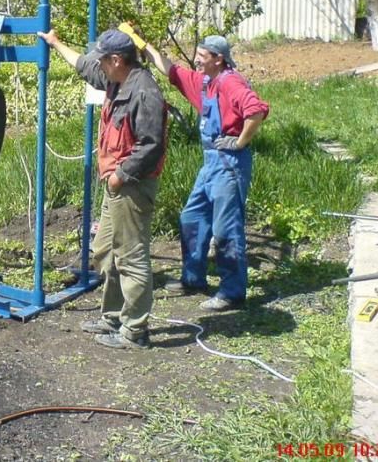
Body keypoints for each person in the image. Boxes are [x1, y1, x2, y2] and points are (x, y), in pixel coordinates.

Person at [38, 28, 167, 349]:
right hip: (116, 184)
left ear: (116, 59)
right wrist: (55, 43)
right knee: (106, 251)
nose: (100, 66)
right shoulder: (115, 79)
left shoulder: (144, 92)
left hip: (132, 186)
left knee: (131, 257)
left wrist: (120, 175)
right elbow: (83, 65)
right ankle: (112, 316)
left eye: (103, 60)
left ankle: (135, 332)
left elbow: (151, 145)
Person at [142, 35, 268, 311]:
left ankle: (232, 292)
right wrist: (144, 46)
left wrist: (240, 141)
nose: (197, 59)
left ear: (218, 58)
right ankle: (193, 278)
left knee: (225, 228)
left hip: (230, 163)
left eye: (202, 55)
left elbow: (256, 111)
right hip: (210, 162)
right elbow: (172, 70)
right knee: (192, 216)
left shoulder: (230, 82)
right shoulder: (205, 82)